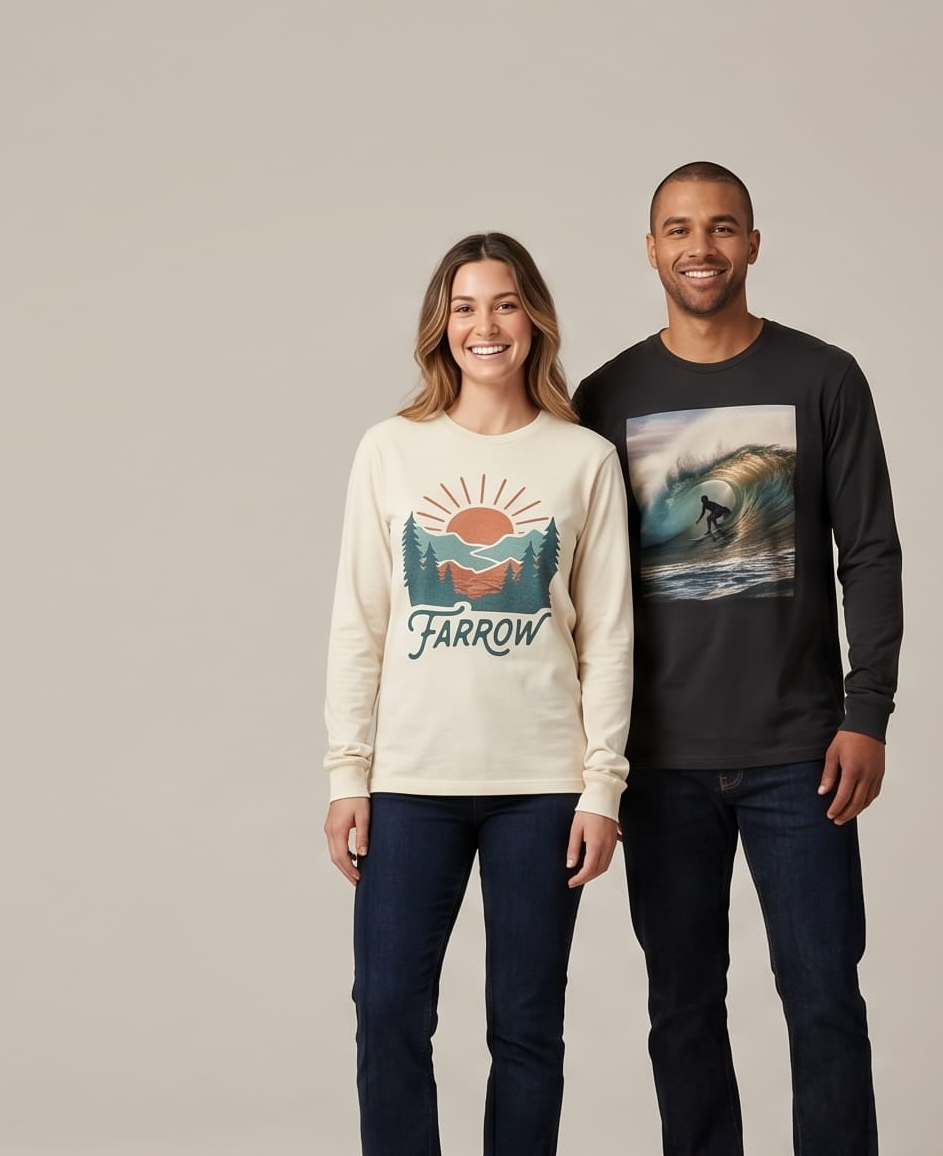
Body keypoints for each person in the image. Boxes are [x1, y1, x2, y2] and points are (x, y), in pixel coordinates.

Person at [571, 163, 904, 1156]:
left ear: (752, 243)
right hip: (657, 763)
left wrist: (866, 711)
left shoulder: (820, 377)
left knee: (821, 998)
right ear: (649, 249)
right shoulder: (607, 396)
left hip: (798, 754)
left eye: (719, 228)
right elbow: (583, 592)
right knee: (679, 1005)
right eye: (677, 229)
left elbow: (870, 549)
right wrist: (593, 762)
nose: (698, 247)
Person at [321, 232, 635, 1155]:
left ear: (532, 321)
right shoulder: (389, 450)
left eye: (502, 304)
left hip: (541, 788)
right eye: (464, 307)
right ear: (439, 326)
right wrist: (348, 774)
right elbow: (358, 622)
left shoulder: (582, 459)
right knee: (386, 1014)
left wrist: (601, 787)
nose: (483, 325)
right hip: (412, 785)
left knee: (527, 1029)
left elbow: (608, 636)